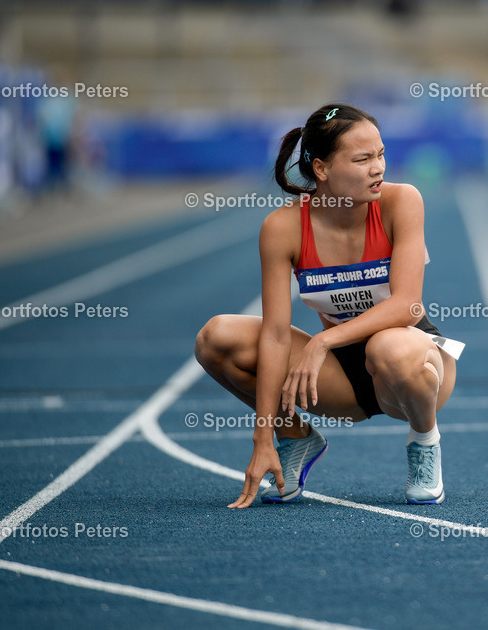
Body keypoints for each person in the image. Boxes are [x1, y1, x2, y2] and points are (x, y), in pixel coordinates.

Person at [195, 104, 463, 508]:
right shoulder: (282, 228)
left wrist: (323, 342)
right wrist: (265, 434)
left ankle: (425, 441)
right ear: (321, 169)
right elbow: (274, 335)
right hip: (343, 378)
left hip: (414, 364)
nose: (379, 168)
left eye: (381, 154)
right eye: (362, 159)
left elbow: (407, 307)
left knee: (388, 345)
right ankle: (297, 440)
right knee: (215, 338)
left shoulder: (401, 201)